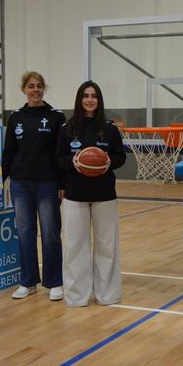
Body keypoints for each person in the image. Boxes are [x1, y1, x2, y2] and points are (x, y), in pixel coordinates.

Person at [56, 81, 127, 306]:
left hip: (104, 194)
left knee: (107, 245)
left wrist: (108, 161)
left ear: (99, 100)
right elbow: (57, 159)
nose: (89, 99)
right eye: (85, 96)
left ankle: (108, 294)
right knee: (75, 245)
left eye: (93, 96)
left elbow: (120, 156)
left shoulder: (109, 128)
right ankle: (77, 296)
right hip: (75, 194)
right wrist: (73, 161)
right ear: (79, 100)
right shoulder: (67, 128)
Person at [2, 71, 65, 301]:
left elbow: (62, 153)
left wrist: (62, 182)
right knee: (25, 233)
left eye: (39, 86)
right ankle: (27, 282)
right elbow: (8, 152)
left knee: (50, 234)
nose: (35, 89)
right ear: (24, 89)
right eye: (31, 86)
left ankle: (55, 282)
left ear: (44, 89)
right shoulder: (16, 117)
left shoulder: (56, 117)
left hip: (48, 185)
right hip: (20, 185)